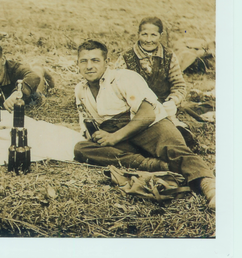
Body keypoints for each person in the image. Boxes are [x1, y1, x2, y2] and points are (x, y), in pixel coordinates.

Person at [72, 40, 215, 209]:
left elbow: (147, 114)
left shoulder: (123, 77)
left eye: (95, 60)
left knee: (177, 152)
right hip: (119, 136)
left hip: (148, 126)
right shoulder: (80, 90)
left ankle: (210, 188)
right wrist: (97, 136)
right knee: (82, 149)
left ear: (107, 62)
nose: (89, 66)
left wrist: (113, 138)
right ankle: (155, 165)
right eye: (84, 61)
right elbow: (88, 123)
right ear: (78, 64)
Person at [113, 17, 195, 146]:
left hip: (163, 108)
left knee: (171, 130)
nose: (148, 39)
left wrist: (173, 101)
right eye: (144, 34)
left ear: (160, 36)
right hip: (135, 110)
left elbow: (179, 85)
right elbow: (115, 86)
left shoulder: (169, 56)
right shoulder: (126, 57)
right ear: (138, 34)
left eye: (153, 35)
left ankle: (178, 132)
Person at [0, 41, 51, 116]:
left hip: (24, 91)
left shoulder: (13, 68)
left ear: (3, 60)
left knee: (38, 93)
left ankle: (39, 69)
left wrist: (18, 92)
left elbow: (33, 76)